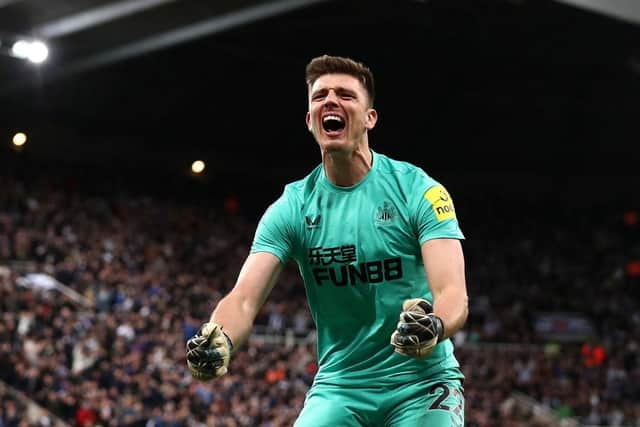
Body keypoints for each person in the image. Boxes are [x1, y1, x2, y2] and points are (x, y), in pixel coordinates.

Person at [186, 54, 469, 426]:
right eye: (320, 96)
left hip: (421, 383)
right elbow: (242, 298)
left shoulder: (418, 190)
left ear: (370, 118)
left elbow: (453, 294)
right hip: (341, 388)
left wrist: (434, 325)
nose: (330, 101)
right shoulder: (292, 208)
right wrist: (220, 337)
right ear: (309, 120)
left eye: (346, 95)